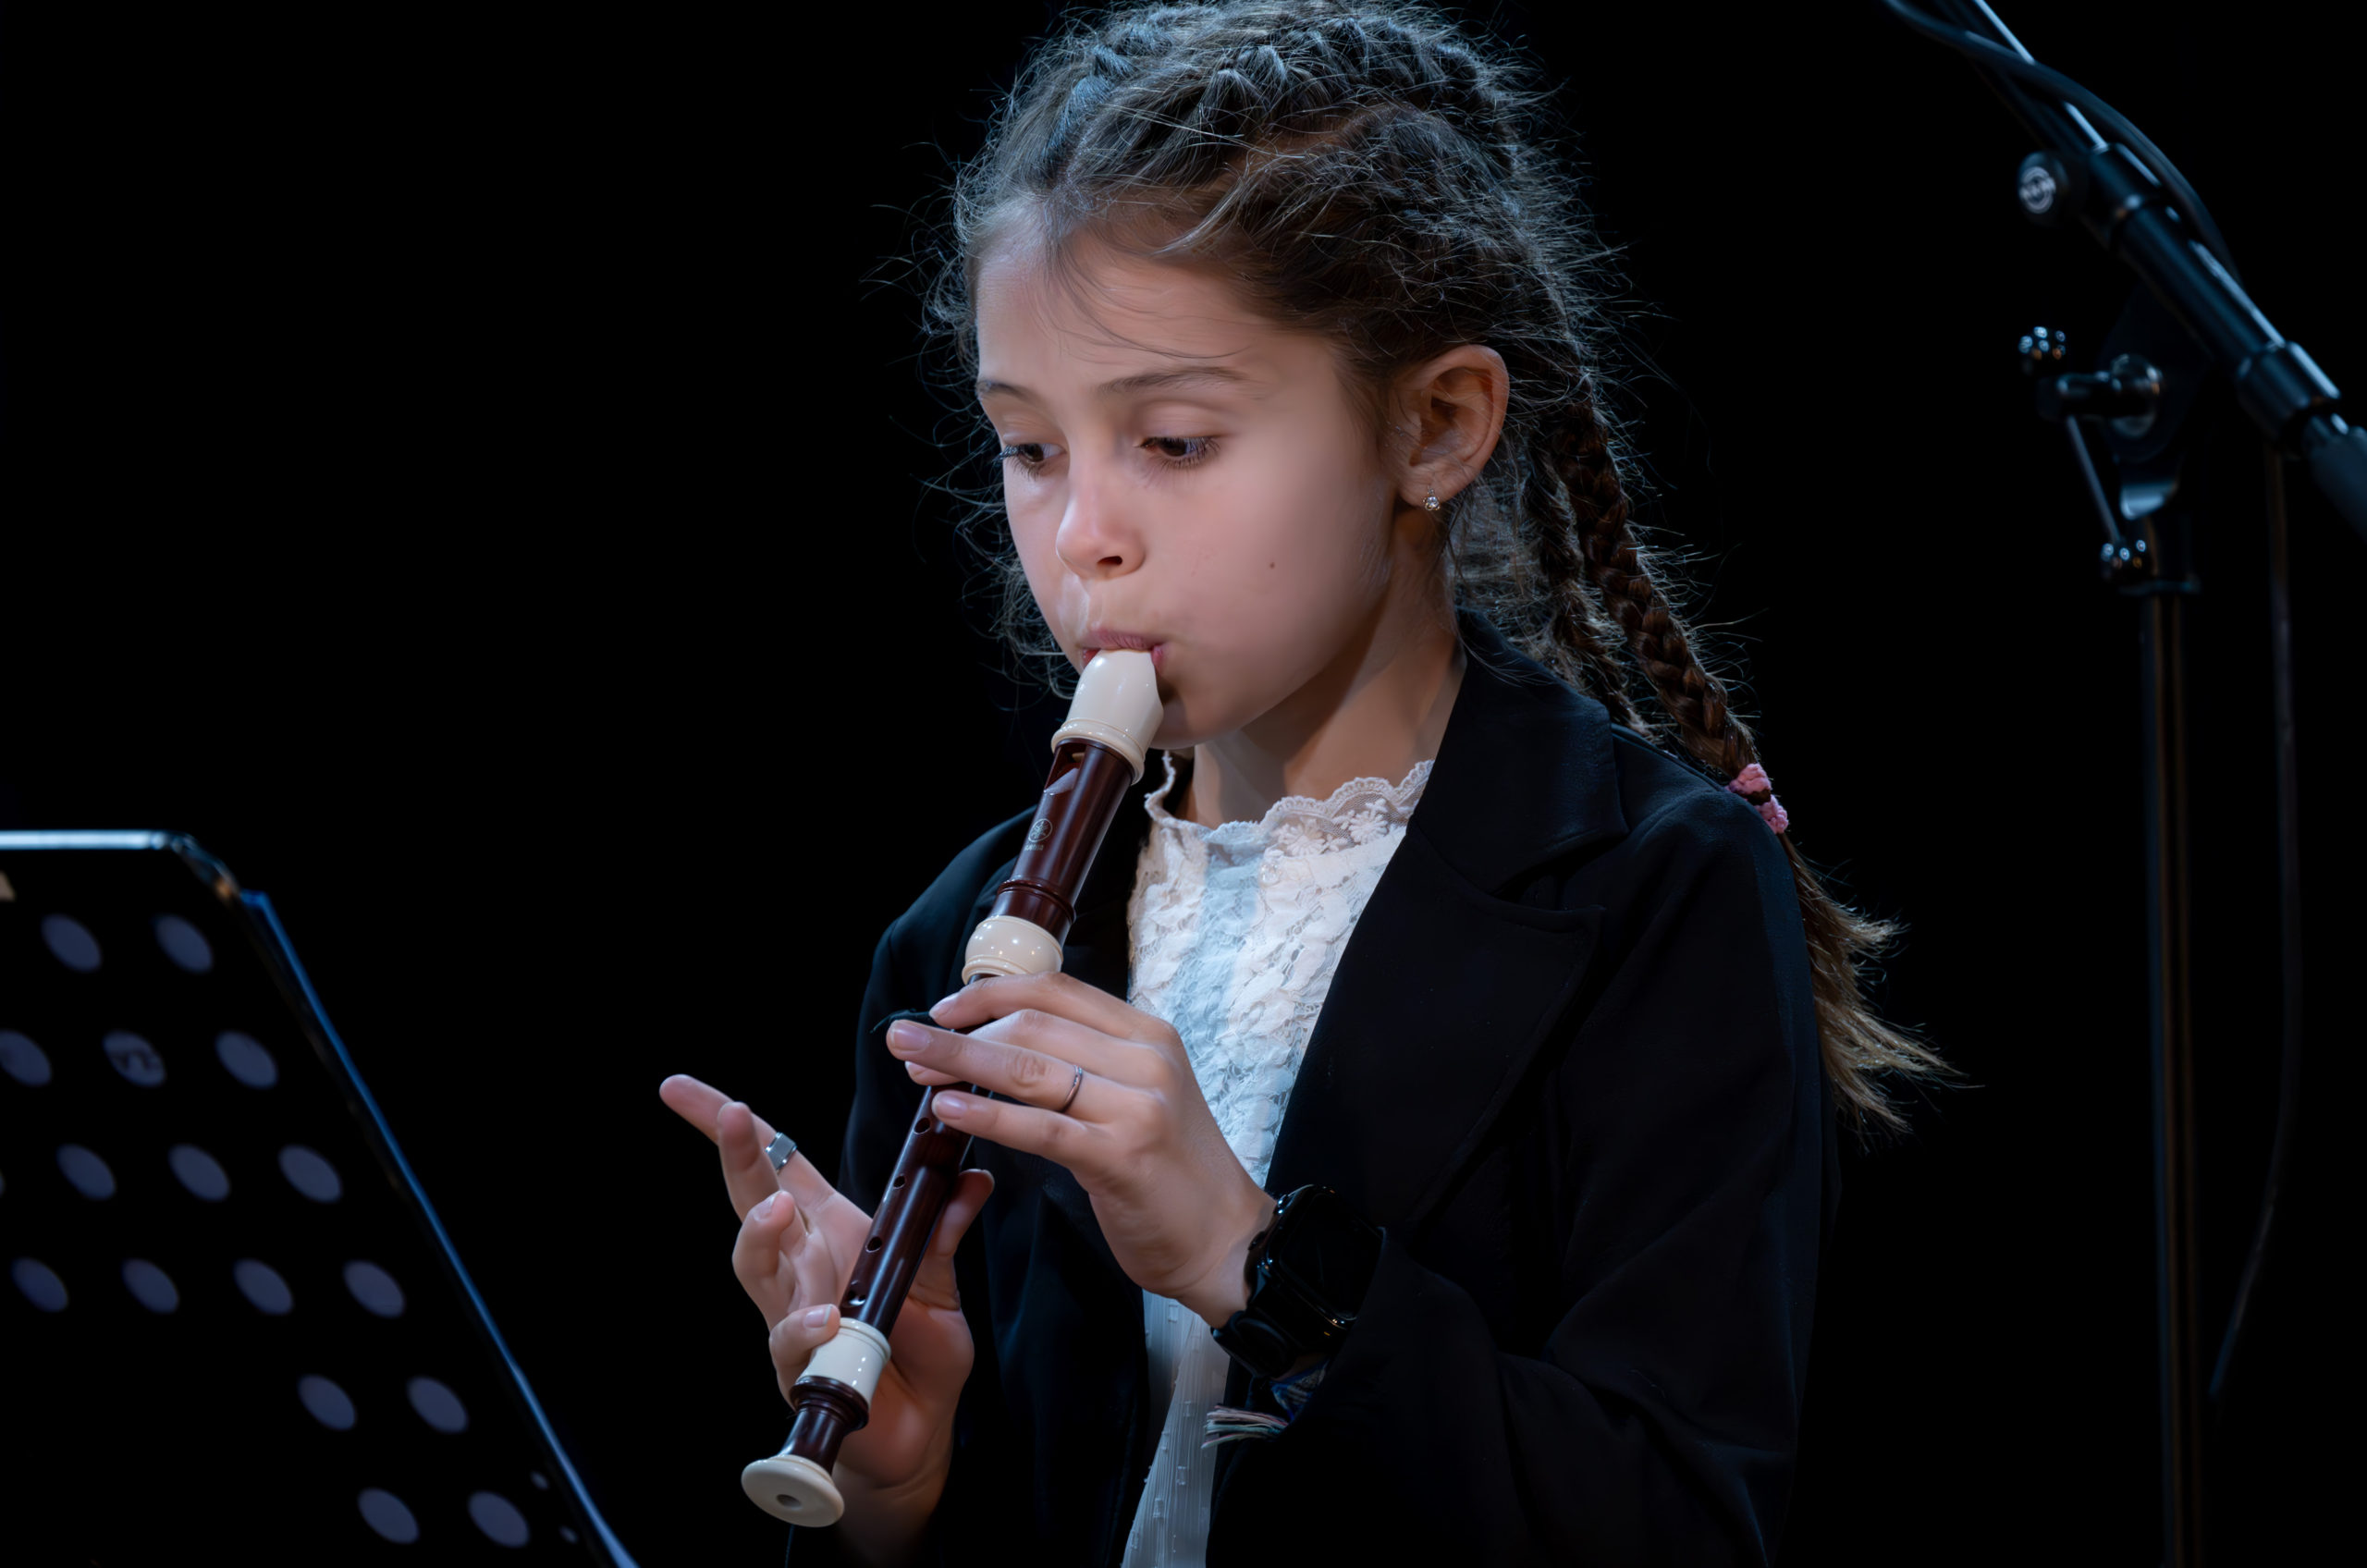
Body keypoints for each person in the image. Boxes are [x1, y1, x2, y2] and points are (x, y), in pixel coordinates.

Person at [664, 3, 1943, 1562]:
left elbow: (1675, 1521)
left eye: (1175, 441)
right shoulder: (961, 943)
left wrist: (1254, 1260)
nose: (1082, 537)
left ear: (1435, 427)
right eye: (1031, 447)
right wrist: (898, 1488)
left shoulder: (1654, 892)